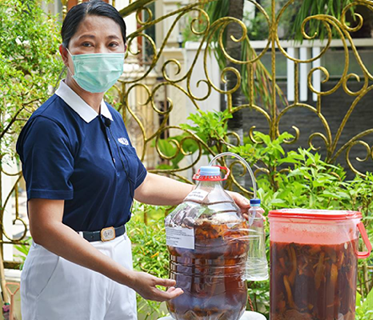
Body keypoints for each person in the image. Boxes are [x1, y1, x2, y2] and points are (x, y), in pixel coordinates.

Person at [15, 1, 250, 319]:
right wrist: (128, 278)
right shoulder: (50, 126)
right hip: (66, 269)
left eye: (112, 44)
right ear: (65, 54)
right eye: (87, 44)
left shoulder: (109, 115)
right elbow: (46, 227)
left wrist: (212, 197)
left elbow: (141, 183)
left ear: (123, 52)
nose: (101, 53)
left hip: (117, 255)